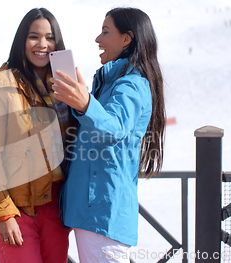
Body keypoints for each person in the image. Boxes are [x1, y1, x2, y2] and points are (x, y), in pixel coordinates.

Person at [51, 7, 166, 262]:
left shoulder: (131, 84)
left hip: (102, 212)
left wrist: (84, 104)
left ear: (127, 38)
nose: (98, 39)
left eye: (105, 32)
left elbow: (114, 128)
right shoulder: (112, 83)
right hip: (95, 210)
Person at [0, 8, 76, 263]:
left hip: (56, 207)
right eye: (33, 36)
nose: (42, 44)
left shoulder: (64, 86)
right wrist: (4, 212)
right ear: (21, 40)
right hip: (17, 207)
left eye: (50, 37)